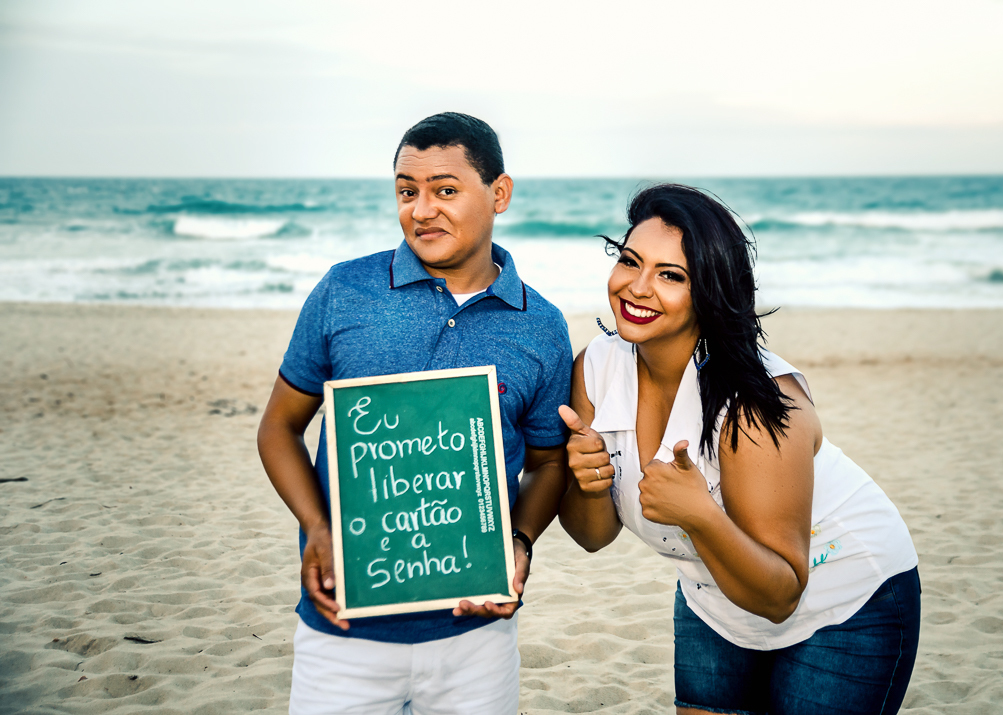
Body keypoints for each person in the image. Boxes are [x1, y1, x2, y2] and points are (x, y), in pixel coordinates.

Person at [558, 184, 920, 715]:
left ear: (710, 291)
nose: (636, 288)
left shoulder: (754, 406)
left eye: (671, 276)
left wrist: (701, 514)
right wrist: (588, 484)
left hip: (844, 598)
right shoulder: (596, 369)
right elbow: (593, 537)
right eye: (630, 262)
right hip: (713, 600)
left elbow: (780, 594)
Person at [257, 112, 572, 715]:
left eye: (445, 190)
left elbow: (548, 462)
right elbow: (279, 428)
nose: (421, 210)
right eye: (407, 191)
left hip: (476, 637)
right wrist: (318, 528)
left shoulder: (541, 325)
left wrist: (522, 541)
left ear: (498, 194)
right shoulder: (344, 291)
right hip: (343, 633)